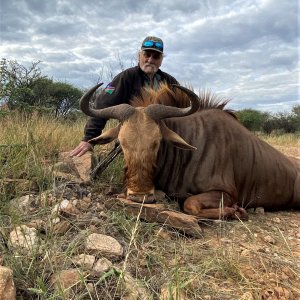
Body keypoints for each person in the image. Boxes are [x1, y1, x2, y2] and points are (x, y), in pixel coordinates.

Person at [70, 36, 179, 157]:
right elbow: (102, 105)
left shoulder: (169, 81)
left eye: (156, 56)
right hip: (134, 136)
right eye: (147, 54)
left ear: (161, 60)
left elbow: (184, 109)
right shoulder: (127, 77)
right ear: (139, 56)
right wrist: (88, 139)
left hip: (162, 136)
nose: (150, 60)